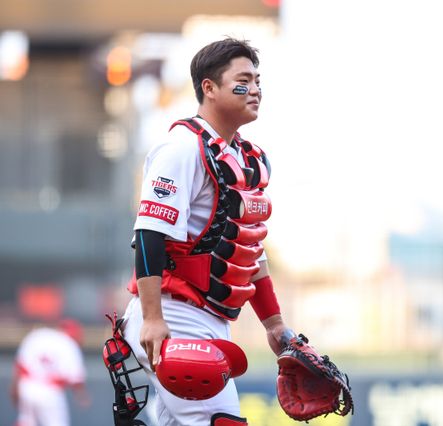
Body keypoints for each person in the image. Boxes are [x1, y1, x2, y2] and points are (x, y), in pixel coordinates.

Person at [120, 38, 293, 426]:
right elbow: (149, 233)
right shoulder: (182, 148)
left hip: (210, 319)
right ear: (209, 88)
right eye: (243, 82)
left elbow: (249, 250)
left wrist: (273, 323)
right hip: (175, 313)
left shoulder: (246, 158)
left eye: (258, 81)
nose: (255, 90)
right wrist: (152, 317)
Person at [11, 319, 89, 426]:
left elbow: (19, 366)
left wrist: (15, 389)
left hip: (28, 386)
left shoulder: (39, 334)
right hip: (51, 391)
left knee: (26, 422)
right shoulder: (70, 344)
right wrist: (82, 396)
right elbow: (77, 380)